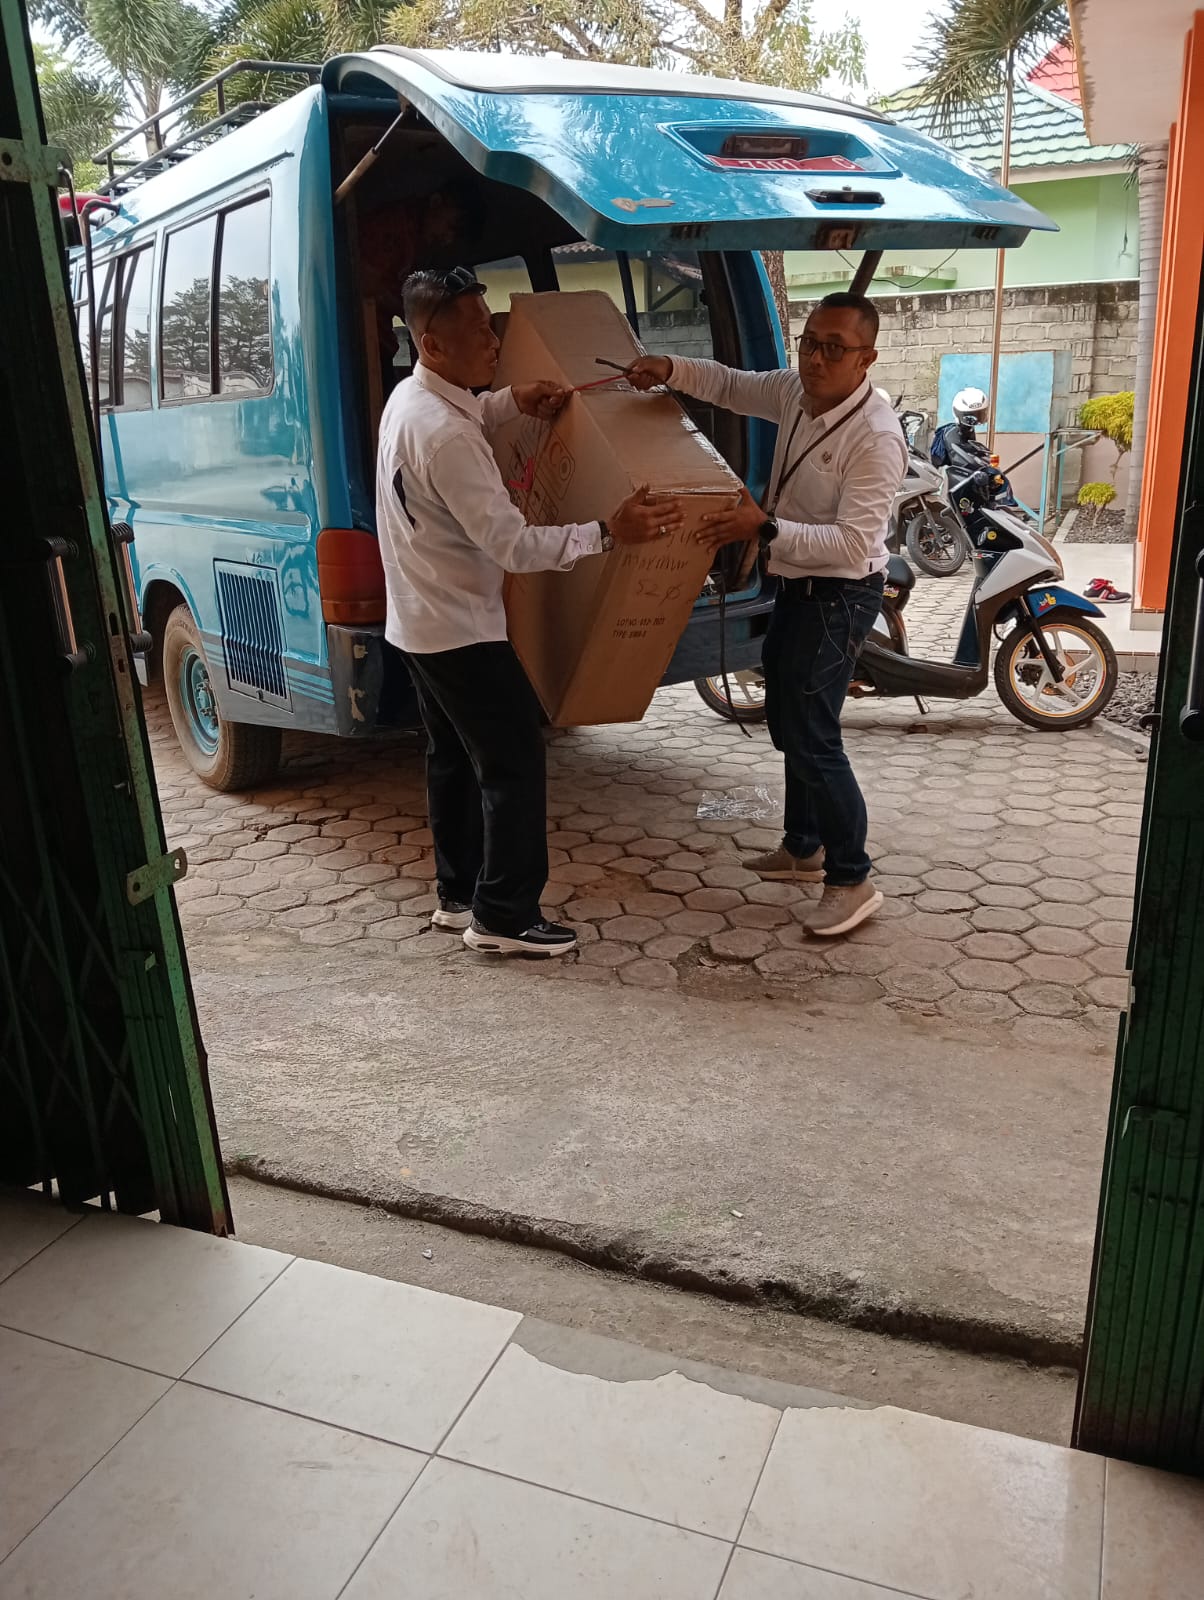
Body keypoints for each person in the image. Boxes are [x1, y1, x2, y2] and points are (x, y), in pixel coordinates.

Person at [376, 266, 683, 957]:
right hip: (459, 629)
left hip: (418, 621)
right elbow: (512, 545)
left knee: (452, 758)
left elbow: (472, 410)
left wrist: (514, 398)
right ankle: (505, 915)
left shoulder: (414, 399)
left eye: (492, 324)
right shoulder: (446, 436)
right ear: (432, 342)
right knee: (513, 762)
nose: (493, 339)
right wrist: (609, 530)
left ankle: (457, 895)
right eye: (480, 330)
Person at [627, 292, 907, 937]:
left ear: (866, 358)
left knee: (813, 733)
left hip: (839, 595)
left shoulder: (876, 438)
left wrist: (766, 526)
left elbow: (849, 545)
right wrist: (667, 366)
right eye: (810, 341)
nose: (816, 357)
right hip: (795, 586)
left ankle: (852, 876)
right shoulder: (794, 392)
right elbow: (728, 384)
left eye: (835, 347)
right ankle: (803, 846)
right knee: (785, 715)